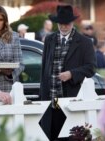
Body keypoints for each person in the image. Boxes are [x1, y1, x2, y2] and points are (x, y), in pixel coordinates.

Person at [39, 5, 96, 141]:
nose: (64, 27)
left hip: (70, 99)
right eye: (61, 24)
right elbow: (44, 68)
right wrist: (42, 95)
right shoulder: (49, 39)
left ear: (72, 23)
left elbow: (91, 68)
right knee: (50, 136)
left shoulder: (85, 42)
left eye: (67, 24)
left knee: (69, 137)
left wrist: (72, 73)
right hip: (51, 99)